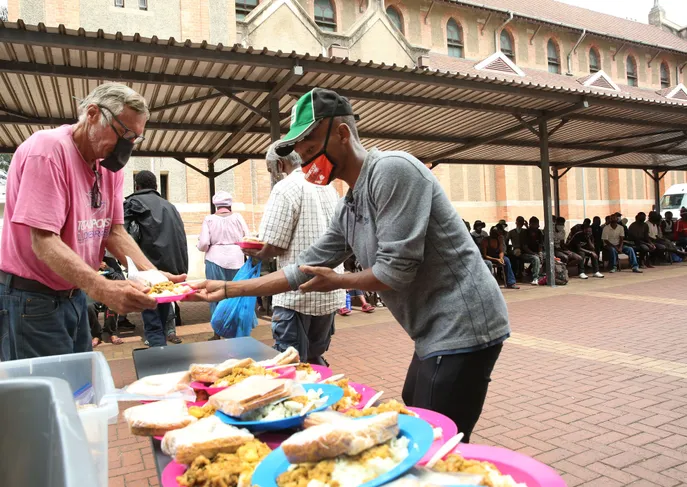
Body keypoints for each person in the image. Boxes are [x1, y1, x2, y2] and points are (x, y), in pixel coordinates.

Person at [192, 88, 510, 441]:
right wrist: (227, 289)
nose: (307, 163)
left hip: (464, 321)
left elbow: (395, 271)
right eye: (302, 155)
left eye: (311, 150)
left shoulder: (393, 170)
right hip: (431, 329)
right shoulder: (350, 204)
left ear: (342, 134)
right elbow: (302, 268)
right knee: (416, 406)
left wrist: (339, 281)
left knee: (433, 433)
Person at [0, 83, 184, 361]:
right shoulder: (48, 150)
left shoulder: (109, 164)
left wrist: (155, 277)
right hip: (32, 298)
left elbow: (114, 231)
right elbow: (43, 241)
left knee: (81, 381)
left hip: (74, 294)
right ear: (93, 114)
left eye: (135, 138)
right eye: (124, 133)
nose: (127, 146)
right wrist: (102, 288)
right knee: (50, 385)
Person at [242, 141, 345, 365]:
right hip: (328, 291)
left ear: (280, 164)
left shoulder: (285, 188)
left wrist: (255, 251)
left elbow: (274, 245)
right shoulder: (327, 185)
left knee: (290, 362)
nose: (273, 175)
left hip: (295, 295)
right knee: (315, 357)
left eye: (271, 170)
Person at [124, 170, 189, 347]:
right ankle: (163, 349)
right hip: (170, 270)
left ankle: (158, 352)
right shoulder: (170, 206)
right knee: (162, 312)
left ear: (137, 186)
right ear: (156, 186)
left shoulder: (133, 203)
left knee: (151, 318)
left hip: (147, 271)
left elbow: (122, 235)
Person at [197, 190, 249, 339]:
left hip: (214, 259)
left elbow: (204, 243)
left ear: (216, 205)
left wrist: (200, 247)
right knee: (237, 295)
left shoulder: (209, 219)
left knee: (214, 295)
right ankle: (237, 332)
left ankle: (217, 333)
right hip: (237, 259)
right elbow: (247, 237)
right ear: (230, 204)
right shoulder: (238, 217)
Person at [507, 216, 540, 285]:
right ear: (516, 222)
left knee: (535, 258)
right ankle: (517, 273)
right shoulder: (511, 232)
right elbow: (506, 241)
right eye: (519, 222)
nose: (520, 223)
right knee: (515, 255)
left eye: (522, 222)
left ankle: (534, 276)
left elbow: (531, 234)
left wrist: (527, 226)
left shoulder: (525, 231)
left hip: (524, 251)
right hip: (516, 249)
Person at [522, 216, 545, 284]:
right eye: (535, 224)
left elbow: (540, 244)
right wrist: (534, 253)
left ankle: (544, 274)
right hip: (526, 253)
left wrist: (540, 253)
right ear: (531, 224)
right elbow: (525, 247)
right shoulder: (525, 233)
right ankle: (535, 278)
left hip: (536, 252)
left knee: (547, 256)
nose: (538, 226)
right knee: (536, 258)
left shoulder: (539, 232)